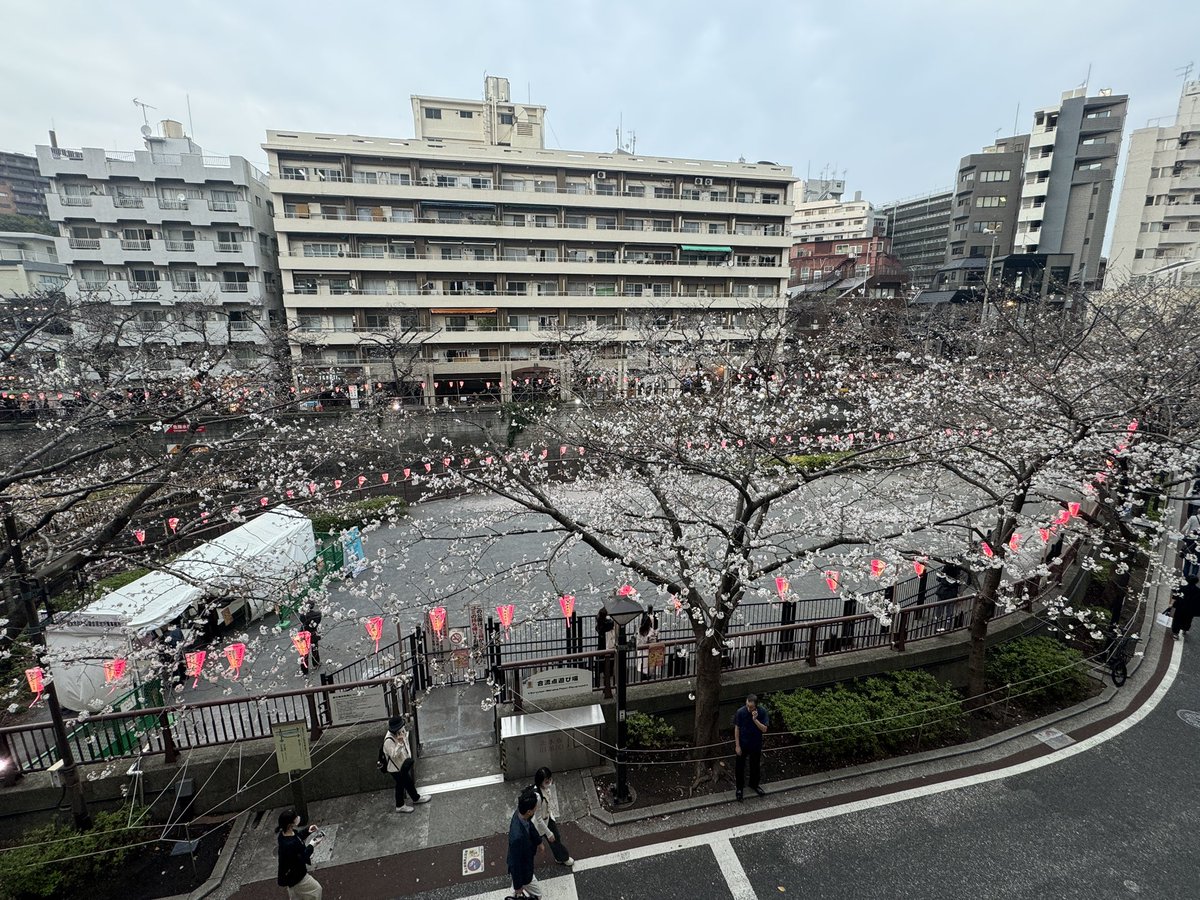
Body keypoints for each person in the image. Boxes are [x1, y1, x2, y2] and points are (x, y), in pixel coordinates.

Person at [383, 716, 429, 813]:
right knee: (401, 785)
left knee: (408, 783)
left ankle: (415, 798)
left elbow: (406, 743)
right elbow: (394, 755)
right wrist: (399, 743)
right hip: (395, 768)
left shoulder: (401, 730)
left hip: (402, 764)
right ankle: (400, 805)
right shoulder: (388, 740)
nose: (402, 729)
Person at [529, 767, 574, 867]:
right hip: (540, 824)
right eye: (547, 781)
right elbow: (538, 818)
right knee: (534, 844)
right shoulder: (538, 797)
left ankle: (561, 857)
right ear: (540, 782)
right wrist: (548, 833)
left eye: (550, 779)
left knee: (556, 838)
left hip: (547, 819)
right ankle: (524, 862)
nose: (549, 782)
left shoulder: (544, 789)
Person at [276, 809, 322, 899]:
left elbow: (297, 837)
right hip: (297, 876)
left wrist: (307, 831)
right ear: (290, 824)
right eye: (295, 817)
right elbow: (302, 857)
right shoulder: (290, 845)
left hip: (290, 876)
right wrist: (312, 845)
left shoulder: (284, 835)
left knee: (296, 895)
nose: (298, 818)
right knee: (316, 889)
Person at [507, 790, 543, 898]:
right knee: (538, 895)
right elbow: (515, 863)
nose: (536, 808)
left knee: (516, 886)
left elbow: (529, 826)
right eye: (535, 807)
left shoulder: (519, 813)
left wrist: (538, 841)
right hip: (524, 871)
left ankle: (515, 888)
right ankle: (516, 887)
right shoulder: (517, 838)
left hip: (523, 864)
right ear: (529, 812)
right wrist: (518, 886)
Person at [733, 693, 769, 802]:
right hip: (743, 743)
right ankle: (739, 788)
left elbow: (764, 729)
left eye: (751, 707)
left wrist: (755, 720)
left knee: (755, 766)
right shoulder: (740, 712)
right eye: (747, 705)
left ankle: (754, 784)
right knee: (740, 767)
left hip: (755, 743)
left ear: (756, 706)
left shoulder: (762, 712)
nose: (749, 708)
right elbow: (737, 728)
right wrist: (737, 745)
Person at [1171, 575, 1200, 640]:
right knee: (1188, 620)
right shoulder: (1198, 591)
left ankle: (1176, 634)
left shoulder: (1182, 588)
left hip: (1180, 607)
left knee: (1177, 619)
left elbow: (1175, 595)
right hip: (1191, 609)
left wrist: (1171, 604)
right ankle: (1184, 629)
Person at [596, 607, 616, 698]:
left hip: (601, 648)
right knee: (609, 667)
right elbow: (614, 624)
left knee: (603, 668)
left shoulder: (599, 623)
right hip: (608, 647)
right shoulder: (609, 624)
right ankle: (608, 688)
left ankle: (604, 686)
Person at [635, 611, 659, 681]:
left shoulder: (639, 630)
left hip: (641, 651)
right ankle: (648, 679)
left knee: (643, 668)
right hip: (648, 652)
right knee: (649, 668)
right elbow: (653, 641)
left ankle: (643, 680)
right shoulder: (650, 631)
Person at [299, 607, 323, 671]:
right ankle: (316, 664)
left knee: (303, 652)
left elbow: (302, 622)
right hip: (313, 633)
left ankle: (304, 669)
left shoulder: (302, 615)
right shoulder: (317, 614)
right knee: (314, 649)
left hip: (304, 634)